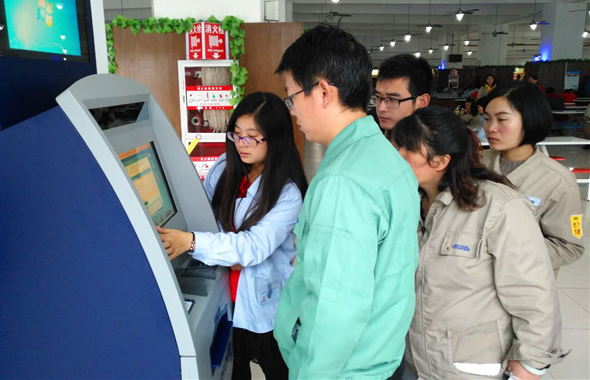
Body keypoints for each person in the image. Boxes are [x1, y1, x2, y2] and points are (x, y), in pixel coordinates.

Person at [273, 24, 420, 380]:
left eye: (292, 97)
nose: (292, 111)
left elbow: (335, 309)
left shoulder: (343, 181)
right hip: (379, 356)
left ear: (323, 92)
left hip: (343, 370)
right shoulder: (381, 155)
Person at [392, 106, 567, 380]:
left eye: (406, 149)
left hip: (472, 367)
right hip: (415, 361)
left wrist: (530, 365)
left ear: (440, 161)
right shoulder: (406, 202)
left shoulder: (499, 207)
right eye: (396, 146)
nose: (395, 156)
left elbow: (534, 295)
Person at [157, 91, 308, 380]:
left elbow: (254, 247)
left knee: (279, 369)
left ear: (276, 139)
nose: (241, 144)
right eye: (236, 134)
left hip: (266, 308)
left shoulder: (288, 193)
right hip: (225, 298)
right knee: (230, 370)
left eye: (252, 137)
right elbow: (202, 217)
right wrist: (226, 252)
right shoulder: (223, 169)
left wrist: (193, 242)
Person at [482, 81, 585, 274]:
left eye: (502, 119)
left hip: (520, 282)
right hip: (470, 282)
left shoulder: (559, 181)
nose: (490, 128)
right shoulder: (475, 163)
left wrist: (507, 250)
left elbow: (569, 247)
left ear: (530, 120)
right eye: (487, 118)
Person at [374, 53, 432, 138]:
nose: (381, 108)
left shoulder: (439, 144)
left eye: (392, 99)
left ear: (422, 102)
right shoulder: (370, 137)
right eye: (378, 97)